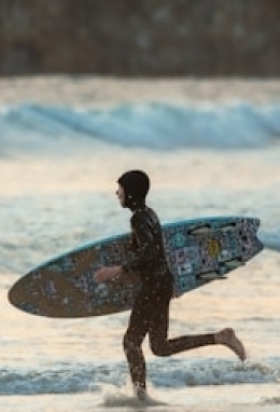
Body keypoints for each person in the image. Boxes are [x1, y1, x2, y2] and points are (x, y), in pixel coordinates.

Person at [93, 170, 246, 400]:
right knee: (159, 347)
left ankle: (140, 395)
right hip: (160, 283)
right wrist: (172, 282)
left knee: (131, 342)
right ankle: (219, 337)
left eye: (121, 188)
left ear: (131, 192)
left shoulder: (139, 219)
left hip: (154, 286)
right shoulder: (150, 214)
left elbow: (150, 254)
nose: (117, 193)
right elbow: (161, 251)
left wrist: (116, 270)